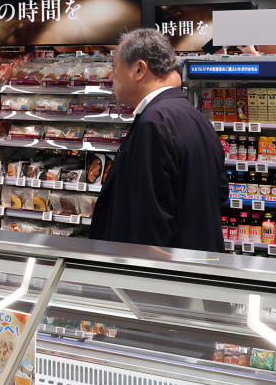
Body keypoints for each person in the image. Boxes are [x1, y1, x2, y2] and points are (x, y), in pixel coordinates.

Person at [88, 28, 227, 252]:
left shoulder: (154, 123)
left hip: (165, 267)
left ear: (139, 69)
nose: (111, 77)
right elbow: (220, 192)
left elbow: (150, 220)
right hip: (196, 261)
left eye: (115, 67)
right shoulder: (197, 118)